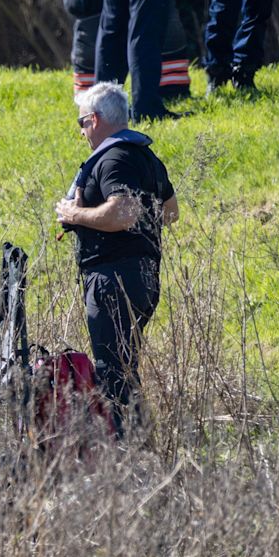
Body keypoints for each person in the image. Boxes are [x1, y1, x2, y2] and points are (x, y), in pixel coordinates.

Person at [54, 83, 177, 437]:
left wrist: (76, 215)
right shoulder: (145, 157)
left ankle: (127, 450)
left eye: (81, 123)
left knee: (112, 373)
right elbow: (170, 212)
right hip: (143, 278)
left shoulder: (112, 159)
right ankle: (142, 444)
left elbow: (122, 212)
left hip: (112, 281)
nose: (81, 132)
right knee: (124, 369)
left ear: (94, 120)